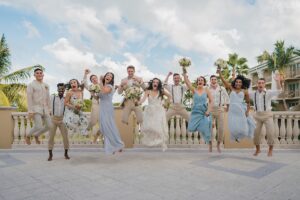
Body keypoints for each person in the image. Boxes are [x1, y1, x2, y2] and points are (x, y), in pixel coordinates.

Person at [218, 68, 255, 141]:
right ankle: (236, 137)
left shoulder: (245, 91)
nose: (238, 83)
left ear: (242, 83)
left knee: (242, 125)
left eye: (240, 82)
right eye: (236, 82)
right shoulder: (231, 88)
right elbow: (224, 82)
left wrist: (247, 111)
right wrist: (220, 74)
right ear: (234, 82)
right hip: (232, 110)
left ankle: (240, 137)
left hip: (241, 110)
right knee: (233, 125)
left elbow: (248, 102)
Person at [251, 73, 282, 157]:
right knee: (255, 133)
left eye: (262, 83)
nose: (260, 84)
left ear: (264, 84)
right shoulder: (253, 93)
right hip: (257, 115)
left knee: (270, 133)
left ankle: (270, 150)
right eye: (259, 83)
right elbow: (243, 92)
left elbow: (279, 91)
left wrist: (278, 81)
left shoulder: (268, 92)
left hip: (267, 115)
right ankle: (258, 149)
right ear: (257, 84)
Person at [183, 71, 213, 152]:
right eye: (199, 80)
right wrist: (184, 72)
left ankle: (209, 143)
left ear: (204, 82)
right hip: (195, 112)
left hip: (204, 112)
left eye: (201, 80)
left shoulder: (206, 90)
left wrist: (208, 111)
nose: (200, 81)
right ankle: (201, 127)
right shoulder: (194, 90)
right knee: (191, 128)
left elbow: (211, 101)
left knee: (205, 129)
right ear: (197, 82)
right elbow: (187, 82)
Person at [138, 78, 171, 151]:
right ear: (152, 83)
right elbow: (142, 100)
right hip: (149, 111)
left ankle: (162, 142)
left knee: (159, 127)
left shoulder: (161, 91)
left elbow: (170, 96)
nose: (155, 83)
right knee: (149, 127)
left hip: (159, 111)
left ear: (158, 84)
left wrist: (166, 104)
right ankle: (151, 141)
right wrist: (137, 102)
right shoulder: (147, 91)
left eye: (157, 82)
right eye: (154, 82)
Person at [99, 72, 124, 154]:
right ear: (105, 76)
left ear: (111, 79)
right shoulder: (103, 86)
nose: (108, 77)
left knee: (109, 126)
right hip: (102, 107)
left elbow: (104, 92)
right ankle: (111, 147)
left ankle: (118, 144)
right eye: (107, 75)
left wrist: (100, 81)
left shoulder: (109, 86)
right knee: (104, 127)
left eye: (110, 76)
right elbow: (99, 95)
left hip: (107, 107)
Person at [26, 68, 52, 145]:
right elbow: (29, 98)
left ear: (43, 75)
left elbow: (48, 98)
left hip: (45, 108)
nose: (39, 74)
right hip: (36, 108)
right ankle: (28, 136)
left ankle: (36, 135)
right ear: (34, 75)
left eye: (41, 73)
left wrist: (50, 109)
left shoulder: (46, 85)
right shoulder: (31, 85)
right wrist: (30, 110)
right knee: (38, 126)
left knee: (49, 126)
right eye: (37, 73)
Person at [48, 83, 70, 161]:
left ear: (64, 90)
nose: (61, 90)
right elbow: (47, 104)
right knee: (51, 137)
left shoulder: (66, 99)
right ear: (57, 89)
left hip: (62, 119)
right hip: (53, 119)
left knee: (65, 137)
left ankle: (66, 153)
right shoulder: (52, 97)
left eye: (62, 89)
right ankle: (50, 155)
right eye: (59, 89)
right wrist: (49, 112)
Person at [208, 75, 230, 153]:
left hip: (220, 109)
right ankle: (210, 144)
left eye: (215, 79)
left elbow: (227, 97)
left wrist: (227, 106)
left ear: (216, 80)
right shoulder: (208, 89)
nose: (213, 80)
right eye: (212, 79)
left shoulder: (221, 88)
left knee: (221, 128)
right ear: (210, 81)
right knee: (209, 128)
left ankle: (218, 144)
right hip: (210, 109)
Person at [82, 69, 101, 143]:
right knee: (93, 121)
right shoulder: (91, 87)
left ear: (97, 78)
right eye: (92, 79)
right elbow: (84, 83)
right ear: (91, 81)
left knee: (103, 124)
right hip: (95, 105)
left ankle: (96, 137)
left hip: (103, 106)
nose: (94, 79)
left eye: (95, 78)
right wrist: (85, 74)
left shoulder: (102, 85)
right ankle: (86, 129)